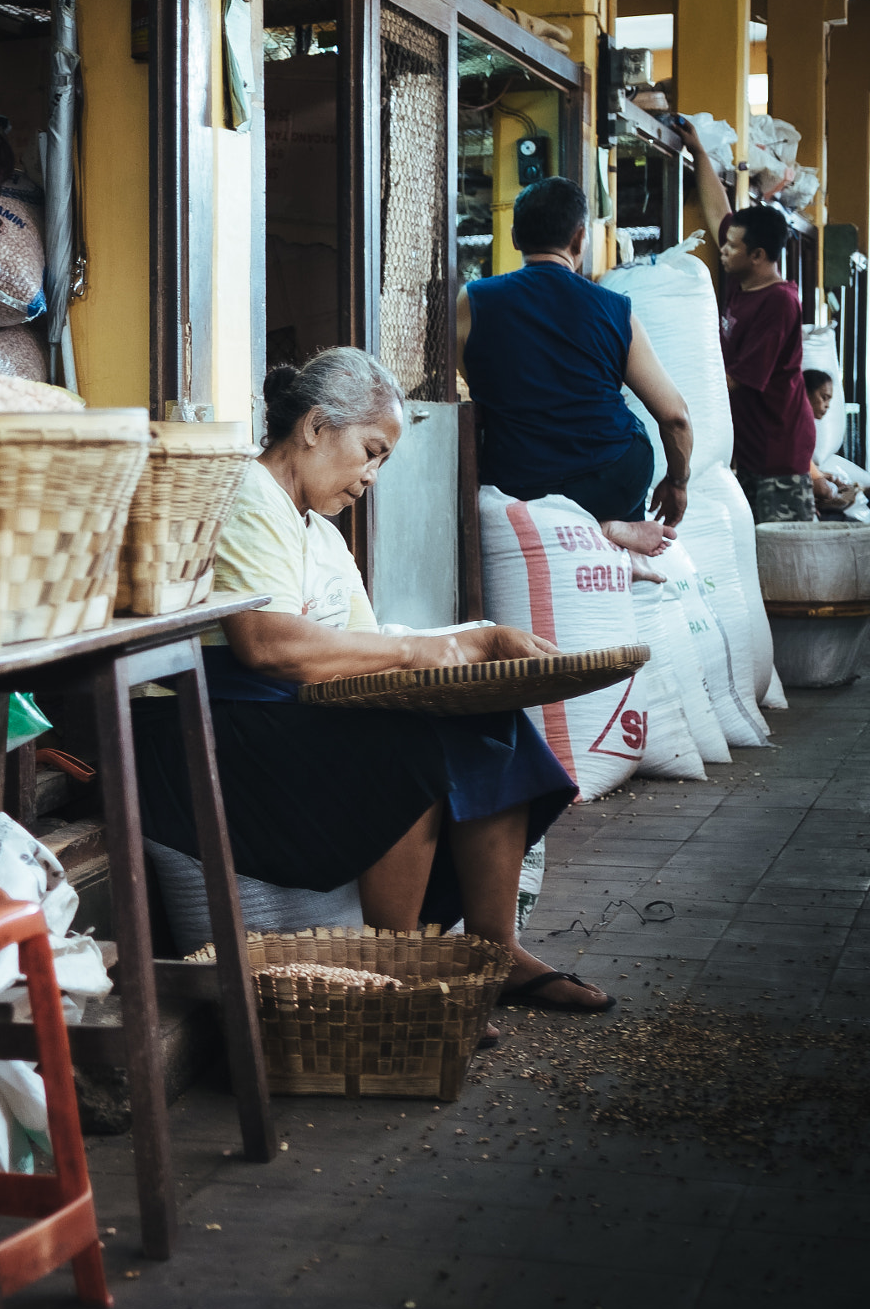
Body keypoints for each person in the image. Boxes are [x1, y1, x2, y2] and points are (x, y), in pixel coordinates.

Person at [131, 348, 614, 1015]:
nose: (372, 475)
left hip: (291, 714)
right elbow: (267, 644)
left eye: (382, 460)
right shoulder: (247, 494)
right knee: (406, 751)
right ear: (314, 427)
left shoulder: (322, 536)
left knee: (492, 728)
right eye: (370, 450)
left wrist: (475, 646)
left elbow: (374, 645)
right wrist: (438, 649)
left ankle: (494, 950)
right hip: (213, 727)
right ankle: (394, 974)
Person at [457, 176, 695, 576]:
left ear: (514, 237)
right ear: (581, 238)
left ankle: (606, 535)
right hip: (611, 479)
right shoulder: (614, 309)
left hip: (519, 480)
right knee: (629, 435)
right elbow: (675, 417)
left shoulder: (475, 299)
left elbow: (469, 377)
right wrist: (678, 481)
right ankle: (613, 533)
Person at [678, 117, 820, 523]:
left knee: (780, 553)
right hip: (751, 445)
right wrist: (699, 151)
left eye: (732, 247)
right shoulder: (743, 281)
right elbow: (717, 208)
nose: (723, 251)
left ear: (758, 256)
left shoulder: (778, 303)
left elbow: (738, 379)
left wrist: (660, 383)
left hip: (778, 452)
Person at [802, 370, 862, 518]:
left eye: (829, 400)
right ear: (805, 394)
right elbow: (822, 490)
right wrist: (830, 487)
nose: (827, 406)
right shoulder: (799, 431)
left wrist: (822, 476)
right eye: (824, 397)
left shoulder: (803, 429)